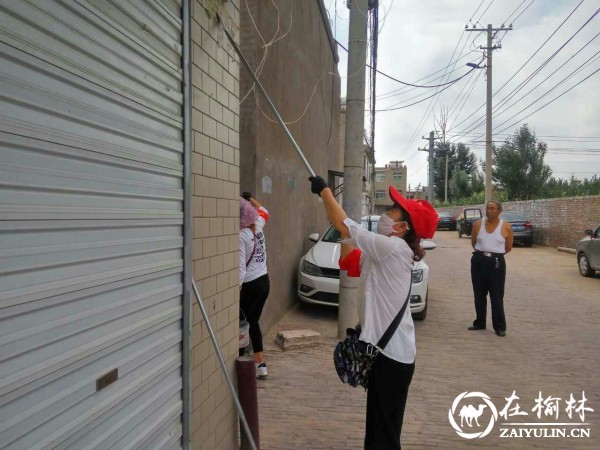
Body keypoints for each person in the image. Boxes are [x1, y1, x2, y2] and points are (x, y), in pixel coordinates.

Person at [308, 175, 437, 450]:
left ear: (402, 227)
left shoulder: (392, 248)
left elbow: (344, 225)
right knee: (378, 434)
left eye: (392, 210)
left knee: (383, 438)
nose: (385, 213)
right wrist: (345, 227)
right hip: (386, 355)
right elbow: (348, 261)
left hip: (393, 358)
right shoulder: (385, 250)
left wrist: (325, 192)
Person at [468, 200, 514, 337]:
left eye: (492, 208)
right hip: (479, 260)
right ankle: (480, 322)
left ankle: (499, 326)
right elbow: (474, 243)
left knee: (497, 295)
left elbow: (508, 247)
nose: (489, 210)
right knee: (479, 294)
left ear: (499, 211)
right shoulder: (477, 225)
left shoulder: (506, 227)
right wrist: (483, 254)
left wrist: (494, 255)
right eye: (487, 208)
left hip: (496, 263)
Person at [239, 193, 270, 378]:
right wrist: (250, 198)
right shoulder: (258, 224)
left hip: (249, 285)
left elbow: (241, 269)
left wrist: (236, 289)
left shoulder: (241, 235)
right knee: (253, 323)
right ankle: (261, 365)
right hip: (264, 282)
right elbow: (264, 210)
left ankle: (242, 359)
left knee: (242, 323)